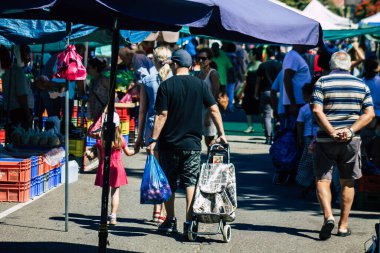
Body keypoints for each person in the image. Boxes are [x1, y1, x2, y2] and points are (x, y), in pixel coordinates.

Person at [146, 49, 227, 238]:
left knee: (170, 183)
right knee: (190, 182)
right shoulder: (200, 85)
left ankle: (170, 219)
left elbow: (162, 115)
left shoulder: (167, 86)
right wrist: (222, 133)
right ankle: (190, 223)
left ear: (174, 64)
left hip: (169, 144)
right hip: (192, 144)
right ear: (191, 66)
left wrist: (153, 139)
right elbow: (214, 109)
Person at [311, 51, 375, 240]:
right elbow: (369, 114)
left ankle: (328, 217)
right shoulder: (361, 83)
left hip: (325, 139)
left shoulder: (322, 82)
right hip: (351, 141)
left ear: (331, 65)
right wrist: (350, 131)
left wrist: (331, 131)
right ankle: (343, 226)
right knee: (347, 181)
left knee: (323, 180)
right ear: (349, 65)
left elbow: (316, 109)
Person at [135, 46, 173, 224]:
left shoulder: (147, 80)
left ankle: (157, 209)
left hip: (151, 128)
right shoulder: (175, 80)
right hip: (171, 128)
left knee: (155, 168)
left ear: (154, 61)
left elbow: (142, 111)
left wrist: (138, 137)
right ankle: (164, 208)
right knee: (167, 169)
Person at [93, 112, 136, 225]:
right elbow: (129, 153)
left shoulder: (101, 138)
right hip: (117, 167)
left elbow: (99, 156)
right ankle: (113, 216)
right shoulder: (120, 139)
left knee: (105, 192)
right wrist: (136, 149)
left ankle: (103, 215)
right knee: (115, 192)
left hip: (105, 165)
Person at [2, 45, 34, 131]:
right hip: (21, 113)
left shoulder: (6, 73)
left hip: (12, 112)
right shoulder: (17, 71)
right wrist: (28, 114)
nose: (28, 59)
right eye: (26, 55)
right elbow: (22, 95)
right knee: (22, 140)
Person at [295, 83, 318, 197]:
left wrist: (299, 138)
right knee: (317, 163)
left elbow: (300, 125)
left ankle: (303, 183)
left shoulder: (303, 109)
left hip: (308, 137)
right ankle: (314, 184)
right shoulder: (321, 106)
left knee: (306, 162)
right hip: (319, 136)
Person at [255, 46, 282, 144]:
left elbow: (258, 81)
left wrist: (256, 93)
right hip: (278, 92)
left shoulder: (263, 65)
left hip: (266, 92)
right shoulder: (280, 65)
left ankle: (268, 137)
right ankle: (277, 135)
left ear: (266, 53)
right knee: (278, 114)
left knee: (267, 115)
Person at [196, 48, 221, 148]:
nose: (201, 61)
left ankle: (213, 162)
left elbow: (214, 97)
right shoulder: (198, 74)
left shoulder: (213, 74)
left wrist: (209, 115)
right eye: (199, 58)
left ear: (210, 60)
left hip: (210, 110)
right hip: (199, 110)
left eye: (204, 58)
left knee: (209, 141)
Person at [283, 45, 311, 129]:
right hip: (296, 103)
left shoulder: (295, 56)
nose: (308, 47)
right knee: (295, 133)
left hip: (298, 102)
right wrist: (293, 103)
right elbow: (287, 79)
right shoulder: (293, 56)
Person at [242, 48, 262, 133]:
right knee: (248, 108)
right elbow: (245, 77)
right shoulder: (249, 65)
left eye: (250, 54)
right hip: (248, 90)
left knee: (260, 110)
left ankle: (265, 127)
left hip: (258, 91)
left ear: (254, 55)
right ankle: (250, 126)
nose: (248, 55)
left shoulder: (261, 65)